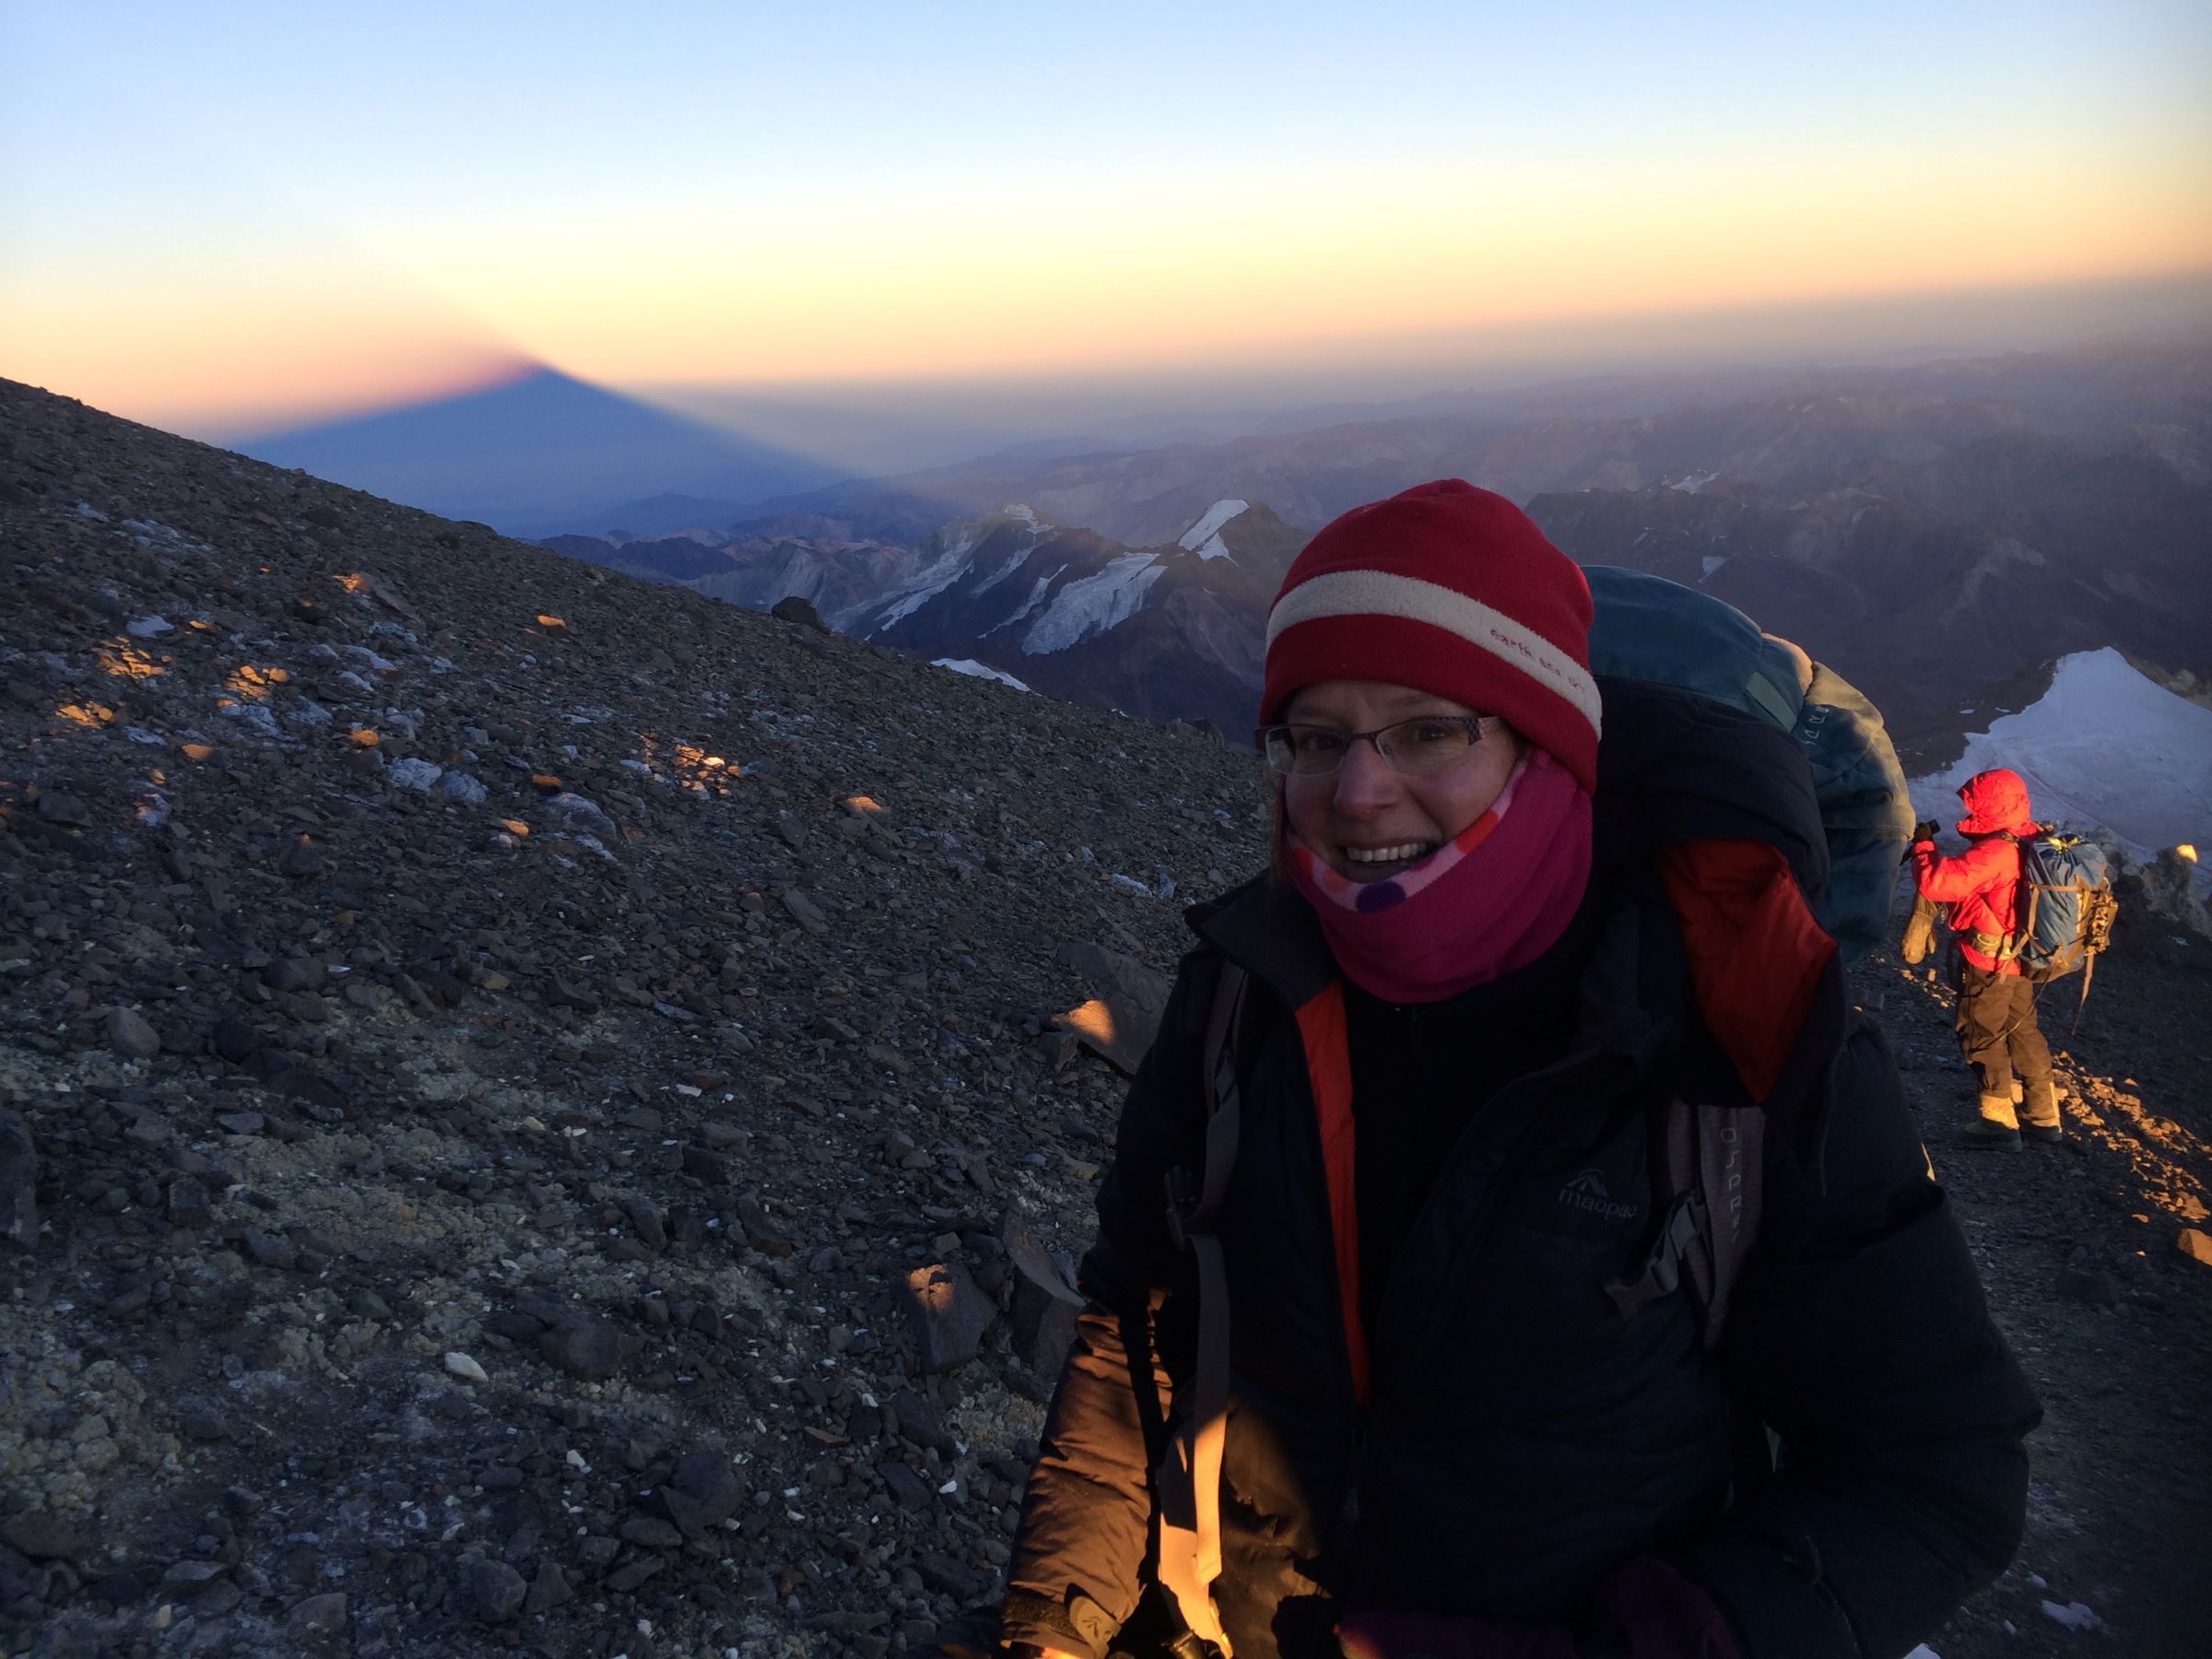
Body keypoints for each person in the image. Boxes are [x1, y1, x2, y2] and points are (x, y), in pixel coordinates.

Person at [997, 482, 2037, 1659]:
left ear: (1546, 743)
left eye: (1431, 728)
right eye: (1316, 737)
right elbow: (1138, 1329)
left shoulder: (1736, 1026)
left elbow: (1941, 1467)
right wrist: (1054, 1619)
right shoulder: (1242, 994)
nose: (1358, 790)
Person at [1908, 771, 2062, 1150]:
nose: (1968, 809)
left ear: (1991, 805)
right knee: (2023, 1032)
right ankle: (2043, 1117)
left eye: (1974, 803)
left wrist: (1924, 847)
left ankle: (1997, 1124)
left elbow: (1936, 884)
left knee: (1981, 1035)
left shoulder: (1996, 851)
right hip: (2023, 960)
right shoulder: (2030, 837)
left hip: (1990, 964)